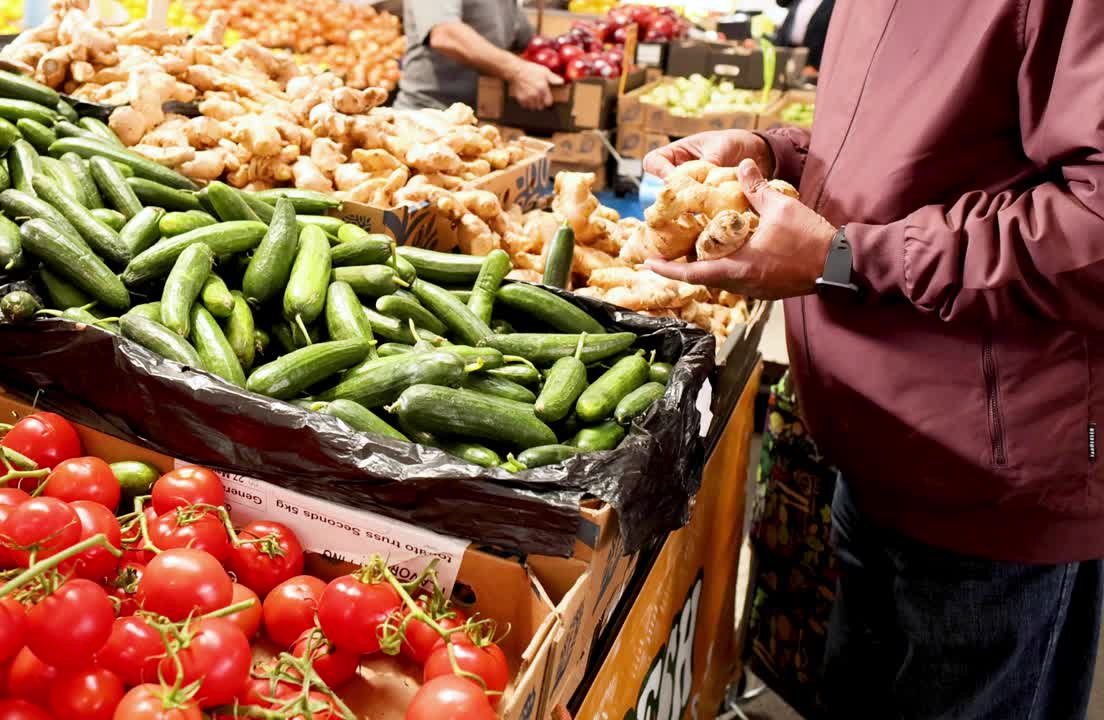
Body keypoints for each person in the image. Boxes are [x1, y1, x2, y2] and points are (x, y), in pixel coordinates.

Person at [644, 2, 1102, 718]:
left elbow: (1093, 228)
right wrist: (774, 156)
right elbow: (905, 152)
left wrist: (850, 258)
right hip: (875, 447)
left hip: (992, 488)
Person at [395, 0, 562, 111]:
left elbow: (526, 40)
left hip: (475, 123)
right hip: (426, 119)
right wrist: (518, 71)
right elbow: (445, 34)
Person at [773, 0, 833, 71]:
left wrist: (817, 67)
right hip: (784, 48)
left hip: (811, 59)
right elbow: (781, 3)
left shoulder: (833, 3)